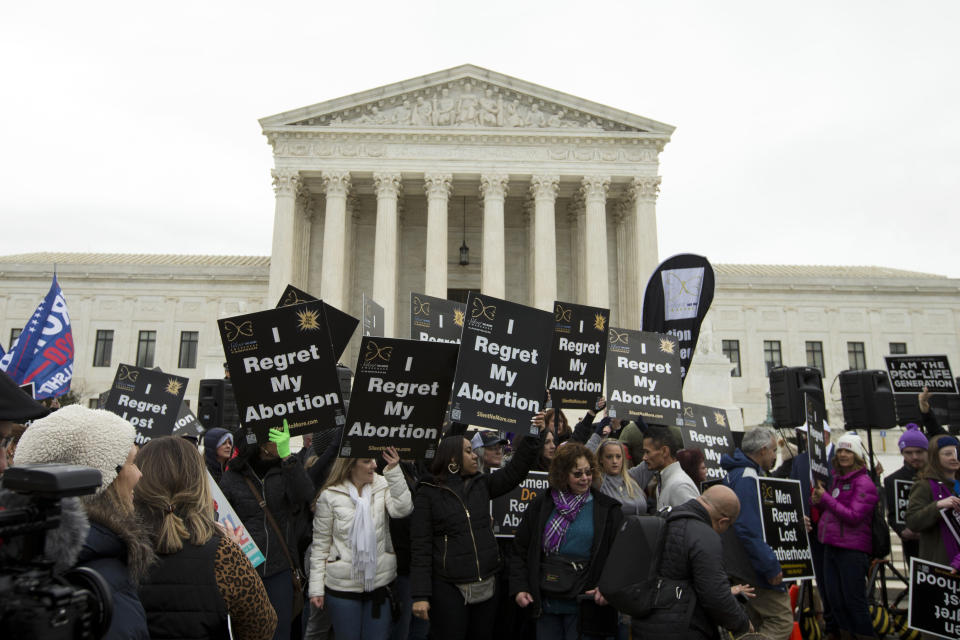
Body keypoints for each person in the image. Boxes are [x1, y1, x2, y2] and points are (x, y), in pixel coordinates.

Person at [14, 405, 155, 640]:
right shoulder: (101, 580)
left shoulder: (22, 557)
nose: (139, 474)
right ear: (101, 479)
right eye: (131, 461)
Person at [410, 416, 547, 640]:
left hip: (487, 585)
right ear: (452, 458)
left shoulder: (481, 484)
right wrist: (421, 595)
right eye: (468, 451)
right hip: (448, 587)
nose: (475, 454)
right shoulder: (428, 493)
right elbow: (421, 546)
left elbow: (516, 471)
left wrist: (534, 433)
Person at [134, 436, 277, 640]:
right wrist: (233, 553)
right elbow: (262, 627)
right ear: (198, 481)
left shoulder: (118, 545)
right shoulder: (224, 554)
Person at [510, 441, 622, 640]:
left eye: (588, 472)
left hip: (585, 606)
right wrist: (520, 587)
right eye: (577, 474)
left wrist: (608, 587)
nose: (585, 478)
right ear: (562, 474)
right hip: (546, 604)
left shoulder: (607, 510)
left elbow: (619, 556)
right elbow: (520, 549)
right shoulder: (542, 505)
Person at [220, 421, 316, 640]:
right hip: (245, 569)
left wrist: (287, 459)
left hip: (278, 568)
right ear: (261, 444)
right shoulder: (232, 477)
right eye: (277, 437)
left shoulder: (285, 471)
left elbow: (305, 494)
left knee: (279, 632)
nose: (283, 440)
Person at [308, 447, 412, 640]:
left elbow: (403, 509)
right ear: (350, 466)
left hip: (379, 585)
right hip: (342, 589)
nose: (374, 464)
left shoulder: (382, 484)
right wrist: (316, 588)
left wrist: (394, 470)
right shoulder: (329, 496)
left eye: (372, 460)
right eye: (366, 461)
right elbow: (320, 546)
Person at [631, 485, 754, 640]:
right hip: (682, 629)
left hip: (643, 625)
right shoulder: (705, 536)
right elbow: (714, 595)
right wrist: (742, 624)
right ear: (723, 522)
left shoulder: (664, 516)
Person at [720, 426, 793, 640]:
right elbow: (747, 527)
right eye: (773, 451)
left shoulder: (739, 473)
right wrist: (770, 566)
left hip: (740, 563)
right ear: (762, 450)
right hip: (751, 567)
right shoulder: (746, 477)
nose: (774, 456)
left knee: (757, 622)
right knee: (781, 621)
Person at [811, 432, 879, 640]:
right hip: (832, 546)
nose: (842, 454)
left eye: (848, 451)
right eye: (840, 450)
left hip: (852, 550)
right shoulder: (838, 480)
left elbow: (853, 516)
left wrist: (827, 500)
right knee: (836, 601)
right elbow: (834, 510)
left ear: (857, 455)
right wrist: (818, 501)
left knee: (854, 603)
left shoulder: (864, 483)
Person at [905, 434, 960, 570]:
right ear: (935, 457)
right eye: (947, 454)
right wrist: (938, 506)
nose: (954, 457)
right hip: (940, 563)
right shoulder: (925, 484)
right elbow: (912, 521)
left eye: (957, 453)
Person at [884, 424, 928, 563]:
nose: (914, 457)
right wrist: (902, 531)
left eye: (919, 452)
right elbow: (892, 514)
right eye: (909, 452)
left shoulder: (937, 478)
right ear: (902, 453)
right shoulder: (892, 480)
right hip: (911, 545)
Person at [643, 426, 699, 510]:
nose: (644, 457)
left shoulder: (680, 486)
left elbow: (692, 522)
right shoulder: (667, 482)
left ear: (665, 451)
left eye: (647, 452)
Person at [595, 437, 647, 515]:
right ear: (601, 459)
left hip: (641, 525)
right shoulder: (597, 481)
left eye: (618, 456)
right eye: (609, 457)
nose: (615, 461)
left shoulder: (632, 476)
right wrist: (597, 434)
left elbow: (654, 456)